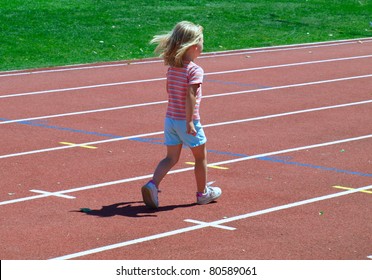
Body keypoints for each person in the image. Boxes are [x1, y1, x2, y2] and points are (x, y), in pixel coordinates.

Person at [141, 21, 222, 209]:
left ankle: (152, 185)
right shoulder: (194, 70)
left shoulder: (173, 67)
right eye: (202, 41)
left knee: (171, 158)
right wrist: (190, 121)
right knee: (200, 157)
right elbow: (190, 95)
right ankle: (203, 193)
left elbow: (169, 89)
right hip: (186, 121)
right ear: (194, 46)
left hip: (170, 119)